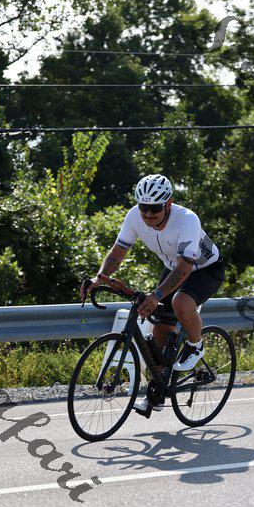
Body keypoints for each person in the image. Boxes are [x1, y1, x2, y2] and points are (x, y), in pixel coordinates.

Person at [80, 174, 225, 414]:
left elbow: (186, 266)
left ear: (168, 204)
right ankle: (156, 393)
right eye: (144, 207)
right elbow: (117, 253)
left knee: (180, 302)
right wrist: (99, 277)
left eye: (155, 208)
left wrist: (156, 295)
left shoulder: (187, 220)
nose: (148, 214)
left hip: (204, 269)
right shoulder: (134, 217)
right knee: (159, 328)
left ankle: (196, 344)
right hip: (173, 267)